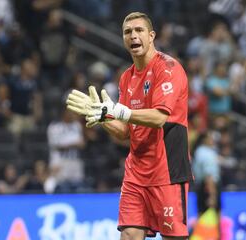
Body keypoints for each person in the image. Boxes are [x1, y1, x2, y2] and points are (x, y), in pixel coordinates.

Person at [66, 12, 193, 240]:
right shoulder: (126, 77)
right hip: (136, 174)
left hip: (168, 171)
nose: (133, 36)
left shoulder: (169, 69)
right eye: (127, 32)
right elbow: (125, 131)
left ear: (151, 35)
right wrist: (103, 116)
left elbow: (159, 118)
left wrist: (119, 111)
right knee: (129, 235)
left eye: (139, 30)